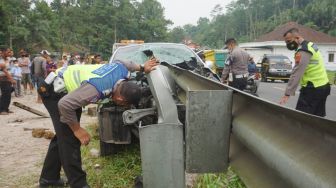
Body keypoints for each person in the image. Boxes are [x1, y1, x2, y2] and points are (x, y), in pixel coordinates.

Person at [37, 59, 158, 188]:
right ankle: (79, 184)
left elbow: (126, 63)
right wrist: (78, 130)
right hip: (55, 93)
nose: (123, 106)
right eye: (124, 104)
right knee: (70, 139)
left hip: (66, 90)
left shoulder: (121, 71)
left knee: (63, 135)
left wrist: (142, 67)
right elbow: (65, 105)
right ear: (120, 98)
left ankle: (48, 178)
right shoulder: (97, 88)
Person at [279, 28, 331, 117]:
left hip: (312, 89)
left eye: (289, 41)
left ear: (297, 37)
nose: (288, 44)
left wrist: (287, 93)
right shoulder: (311, 45)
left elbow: (297, 73)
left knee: (302, 118)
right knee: (317, 117)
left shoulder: (303, 51)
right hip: (323, 86)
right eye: (286, 42)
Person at [0, 48, 15, 115]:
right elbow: (5, 71)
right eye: (8, 52)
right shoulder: (1, 61)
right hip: (3, 79)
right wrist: (11, 79)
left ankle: (6, 108)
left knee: (8, 94)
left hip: (8, 78)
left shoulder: (8, 60)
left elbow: (9, 70)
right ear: (3, 52)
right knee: (5, 94)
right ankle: (2, 110)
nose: (9, 53)